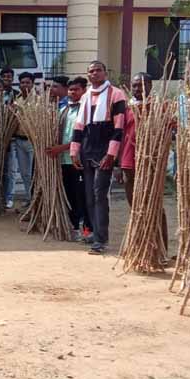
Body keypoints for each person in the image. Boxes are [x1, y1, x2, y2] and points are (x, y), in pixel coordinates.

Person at [71, 61, 127, 256]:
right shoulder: (86, 96)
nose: (94, 74)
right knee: (89, 196)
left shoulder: (116, 94)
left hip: (104, 150)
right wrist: (74, 151)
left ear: (105, 73)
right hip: (87, 150)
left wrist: (111, 154)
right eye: (91, 71)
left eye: (98, 70)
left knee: (99, 194)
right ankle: (95, 233)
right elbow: (79, 126)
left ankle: (101, 240)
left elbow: (119, 127)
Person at [116, 73, 170, 254]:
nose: (138, 89)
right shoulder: (127, 108)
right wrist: (118, 164)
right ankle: (139, 248)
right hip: (128, 161)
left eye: (141, 85)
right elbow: (121, 135)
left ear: (150, 85)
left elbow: (168, 132)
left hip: (150, 162)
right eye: (135, 85)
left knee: (154, 205)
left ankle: (160, 249)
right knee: (135, 206)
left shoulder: (159, 107)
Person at [47, 76, 89, 241]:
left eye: (76, 89)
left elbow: (84, 138)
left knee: (81, 196)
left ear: (84, 90)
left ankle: (85, 230)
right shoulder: (64, 110)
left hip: (79, 160)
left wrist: (61, 148)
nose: (72, 92)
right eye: (71, 90)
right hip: (63, 160)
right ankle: (72, 227)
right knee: (69, 194)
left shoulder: (86, 111)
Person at [4, 71, 36, 210]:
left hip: (32, 141)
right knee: (24, 173)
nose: (25, 85)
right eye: (22, 82)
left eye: (27, 82)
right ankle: (29, 198)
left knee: (33, 172)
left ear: (32, 84)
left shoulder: (38, 99)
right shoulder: (17, 99)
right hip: (19, 140)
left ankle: (35, 199)